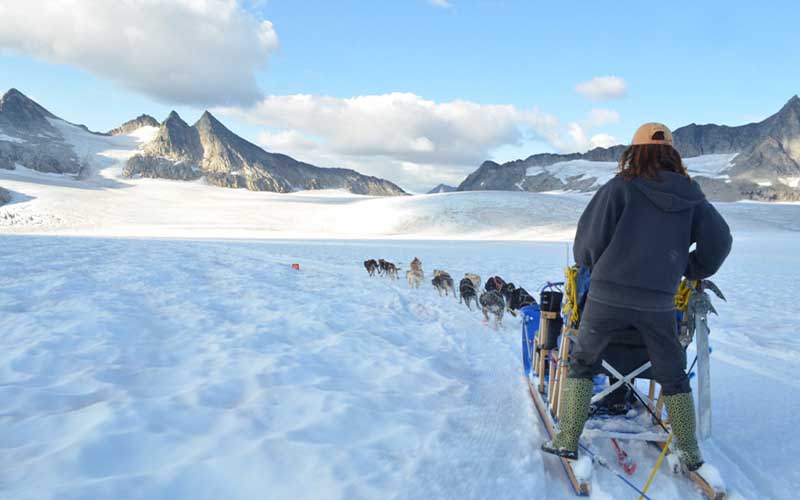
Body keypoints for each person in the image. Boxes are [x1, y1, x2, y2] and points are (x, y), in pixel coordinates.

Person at [540, 123, 732, 471]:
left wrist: (595, 265)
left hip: (606, 298)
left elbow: (586, 244)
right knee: (672, 375)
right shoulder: (692, 196)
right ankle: (690, 452)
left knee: (583, 364)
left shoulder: (620, 188)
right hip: (658, 302)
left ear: (635, 151)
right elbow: (720, 242)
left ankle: (567, 440)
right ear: (672, 153)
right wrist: (690, 268)